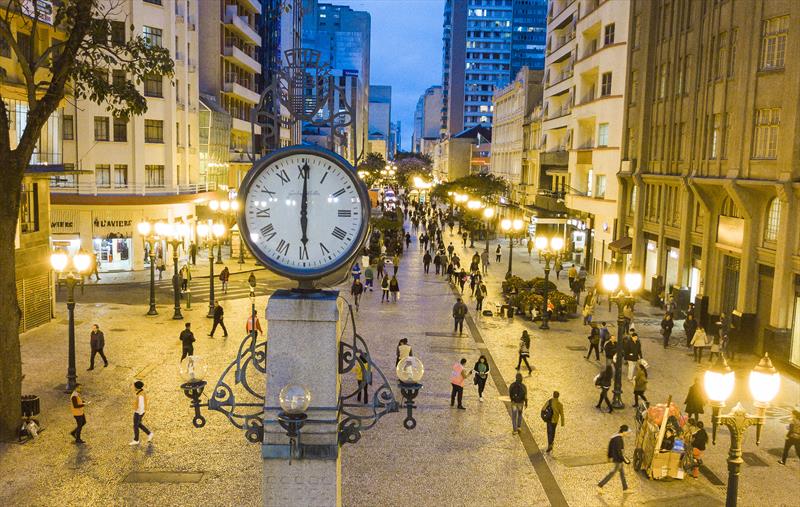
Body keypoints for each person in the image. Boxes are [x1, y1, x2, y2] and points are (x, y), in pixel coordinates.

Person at [597, 425, 632, 494]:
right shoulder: (619, 440)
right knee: (612, 473)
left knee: (622, 473)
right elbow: (619, 452)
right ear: (624, 431)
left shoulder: (615, 437)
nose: (628, 434)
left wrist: (609, 456)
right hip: (618, 459)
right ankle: (600, 485)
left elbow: (610, 447)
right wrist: (625, 460)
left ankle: (625, 488)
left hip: (616, 458)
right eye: (627, 432)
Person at [129, 380, 153, 445]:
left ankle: (136, 440)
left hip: (138, 412)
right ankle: (149, 433)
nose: (133, 387)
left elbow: (141, 406)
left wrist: (139, 414)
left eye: (134, 386)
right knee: (138, 424)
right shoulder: (142, 392)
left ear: (137, 387)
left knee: (135, 426)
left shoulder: (140, 396)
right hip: (141, 412)